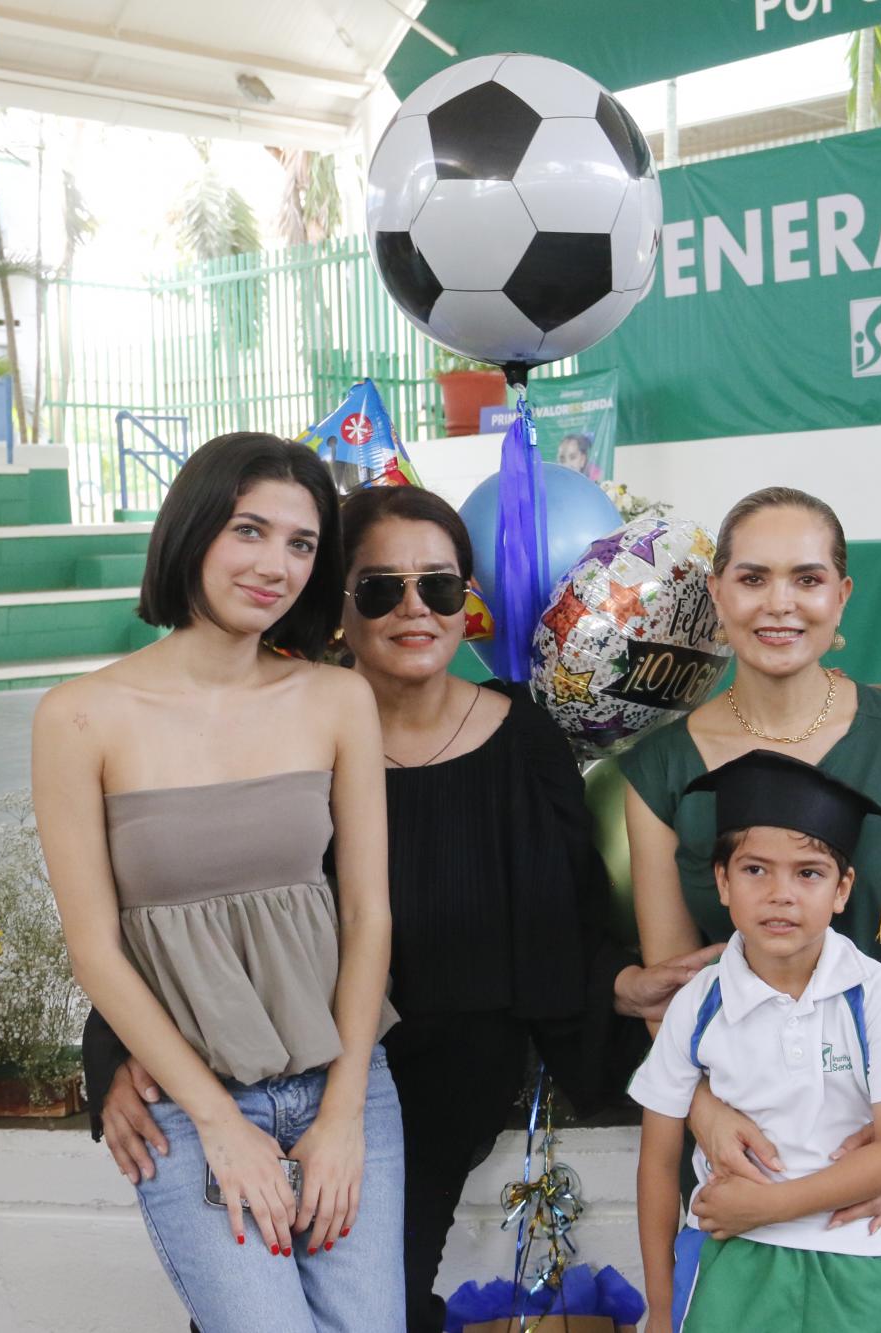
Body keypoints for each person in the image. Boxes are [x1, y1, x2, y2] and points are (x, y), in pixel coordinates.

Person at [84, 483, 719, 1331]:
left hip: (442, 1068)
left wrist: (622, 984)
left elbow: (561, 922)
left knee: (370, 1291)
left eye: (442, 586)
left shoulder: (523, 741)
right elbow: (186, 894)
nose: (415, 609)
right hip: (267, 1048)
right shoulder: (282, 726)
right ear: (338, 603)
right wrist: (111, 1051)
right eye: (382, 587)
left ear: (470, 603)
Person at [32, 432, 406, 1330]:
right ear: (193, 530)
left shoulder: (335, 699)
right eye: (250, 529)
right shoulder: (79, 716)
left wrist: (346, 1111)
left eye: (301, 543)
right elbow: (96, 947)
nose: (274, 563)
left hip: (343, 1083)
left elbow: (367, 911)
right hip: (193, 1098)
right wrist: (219, 1124)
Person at [621, 486, 881, 1333]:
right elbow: (677, 991)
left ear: (844, 596)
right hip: (744, 1144)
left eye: (807, 578)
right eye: (752, 577)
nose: (779, 604)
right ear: (716, 595)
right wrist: (707, 1118)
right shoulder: (662, 773)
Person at [632, 750, 881, 1333]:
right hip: (727, 1260)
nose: (781, 894)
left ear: (842, 889)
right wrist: (661, 1307)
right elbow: (657, 1159)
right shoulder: (698, 1003)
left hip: (858, 1260)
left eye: (809, 872)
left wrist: (770, 1207)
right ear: (722, 881)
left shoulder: (872, 993)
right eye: (755, 870)